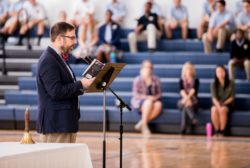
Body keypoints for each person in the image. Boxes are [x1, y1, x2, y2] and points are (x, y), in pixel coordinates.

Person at [36, 22, 95, 143]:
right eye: (72, 37)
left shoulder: (58, 57)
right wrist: (82, 84)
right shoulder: (48, 60)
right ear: (59, 39)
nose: (75, 41)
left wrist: (83, 85)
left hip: (64, 123)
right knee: (56, 162)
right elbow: (56, 92)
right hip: (56, 125)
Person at [131, 60, 162, 136]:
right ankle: (145, 127)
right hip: (140, 102)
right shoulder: (138, 79)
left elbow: (160, 93)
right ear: (142, 68)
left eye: (150, 67)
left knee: (159, 104)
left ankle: (142, 123)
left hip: (154, 101)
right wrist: (148, 97)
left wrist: (155, 97)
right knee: (148, 102)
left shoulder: (156, 79)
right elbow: (135, 95)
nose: (149, 69)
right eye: (147, 67)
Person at [210, 65, 235, 137]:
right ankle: (216, 131)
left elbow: (232, 97)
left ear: (225, 72)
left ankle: (222, 131)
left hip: (228, 103)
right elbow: (214, 98)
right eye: (218, 71)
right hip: (217, 103)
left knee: (223, 110)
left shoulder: (231, 83)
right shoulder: (213, 84)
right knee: (213, 109)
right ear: (216, 74)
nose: (220, 73)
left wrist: (223, 104)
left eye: (222, 71)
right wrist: (218, 106)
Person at [178, 62, 199, 134]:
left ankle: (183, 130)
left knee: (185, 108)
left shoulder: (196, 81)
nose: (189, 71)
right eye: (187, 69)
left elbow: (193, 91)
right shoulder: (181, 80)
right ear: (184, 70)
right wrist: (186, 100)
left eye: (190, 69)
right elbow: (181, 91)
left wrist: (188, 99)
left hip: (193, 101)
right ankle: (193, 118)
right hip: (183, 100)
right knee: (183, 104)